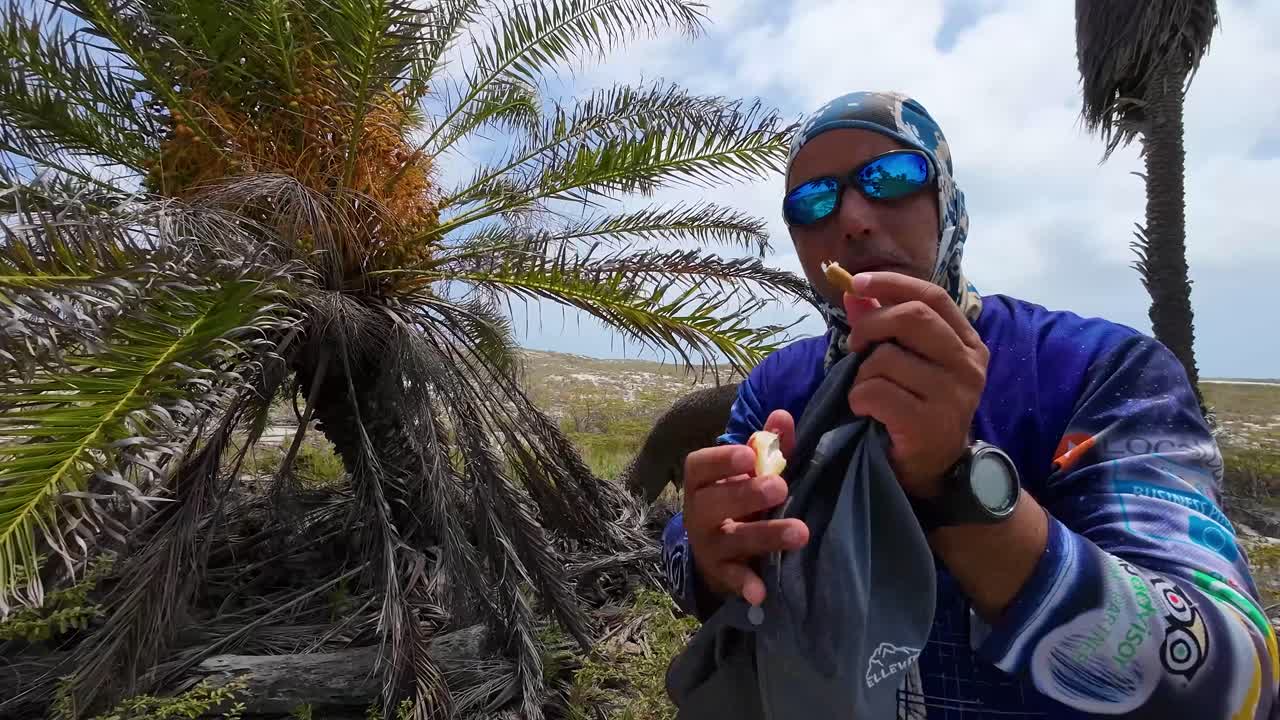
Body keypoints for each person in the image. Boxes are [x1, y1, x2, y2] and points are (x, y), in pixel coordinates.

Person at [660, 90, 1279, 719]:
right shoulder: (779, 388)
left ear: (948, 198)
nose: (851, 218)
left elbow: (1234, 686)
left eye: (890, 177)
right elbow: (690, 558)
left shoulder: (1096, 369)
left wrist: (954, 478)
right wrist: (709, 555)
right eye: (812, 201)